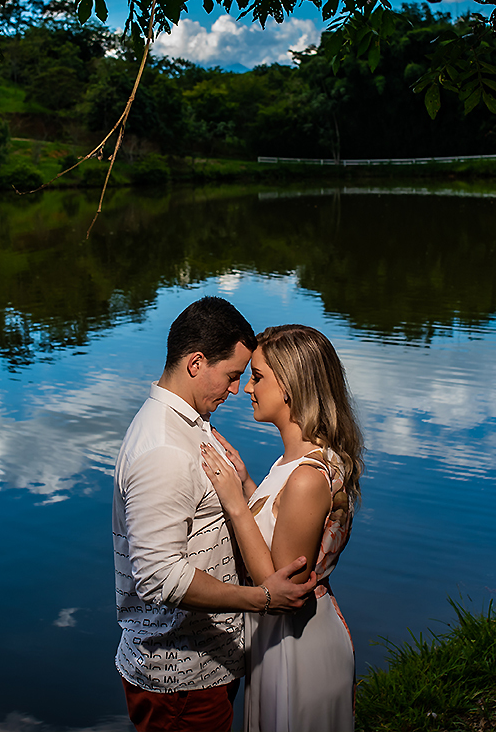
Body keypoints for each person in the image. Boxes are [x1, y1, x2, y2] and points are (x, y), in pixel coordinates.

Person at [113, 297, 317, 732]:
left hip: (207, 666)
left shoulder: (190, 424)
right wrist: (263, 599)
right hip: (179, 678)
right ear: (196, 363)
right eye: (231, 376)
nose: (234, 390)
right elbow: (159, 576)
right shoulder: (163, 448)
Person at [200, 324, 363, 732]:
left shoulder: (307, 477)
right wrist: (248, 483)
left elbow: (278, 585)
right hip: (284, 637)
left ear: (289, 386)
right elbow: (282, 521)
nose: (247, 389)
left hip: (297, 643)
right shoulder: (303, 457)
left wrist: (235, 504)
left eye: (257, 377)